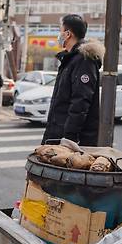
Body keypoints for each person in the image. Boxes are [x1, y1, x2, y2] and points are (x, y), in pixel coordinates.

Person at [42, 14, 104, 146]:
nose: (59, 35)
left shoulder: (83, 60)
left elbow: (80, 103)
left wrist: (69, 138)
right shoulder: (70, 59)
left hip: (70, 140)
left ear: (68, 34)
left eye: (60, 30)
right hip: (58, 134)